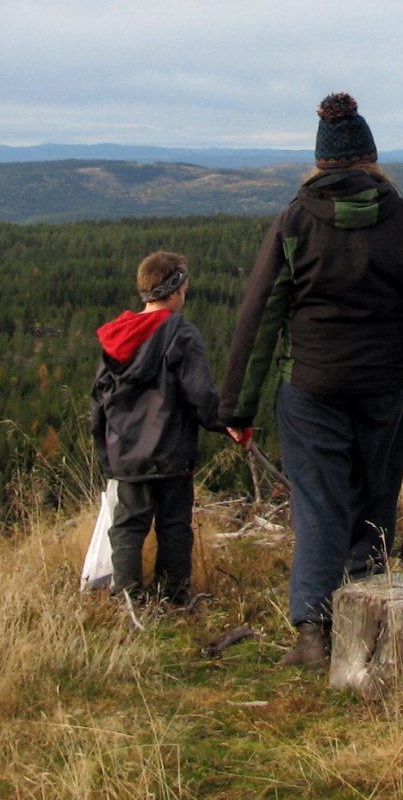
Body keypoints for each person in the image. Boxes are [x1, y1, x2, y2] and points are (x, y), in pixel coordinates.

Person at [220, 92, 403, 670]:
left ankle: (313, 634)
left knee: (320, 504)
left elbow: (260, 316)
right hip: (384, 387)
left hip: (310, 387)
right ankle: (371, 628)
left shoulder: (294, 221)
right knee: (375, 501)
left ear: (320, 163)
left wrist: (238, 409)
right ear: (371, 160)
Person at [91, 251, 228, 606]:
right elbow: (201, 394)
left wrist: (107, 452)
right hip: (172, 453)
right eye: (184, 287)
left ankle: (128, 598)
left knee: (128, 526)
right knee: (174, 527)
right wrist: (227, 424)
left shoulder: (117, 337)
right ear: (175, 290)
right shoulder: (182, 334)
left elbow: (99, 400)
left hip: (126, 454)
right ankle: (174, 599)